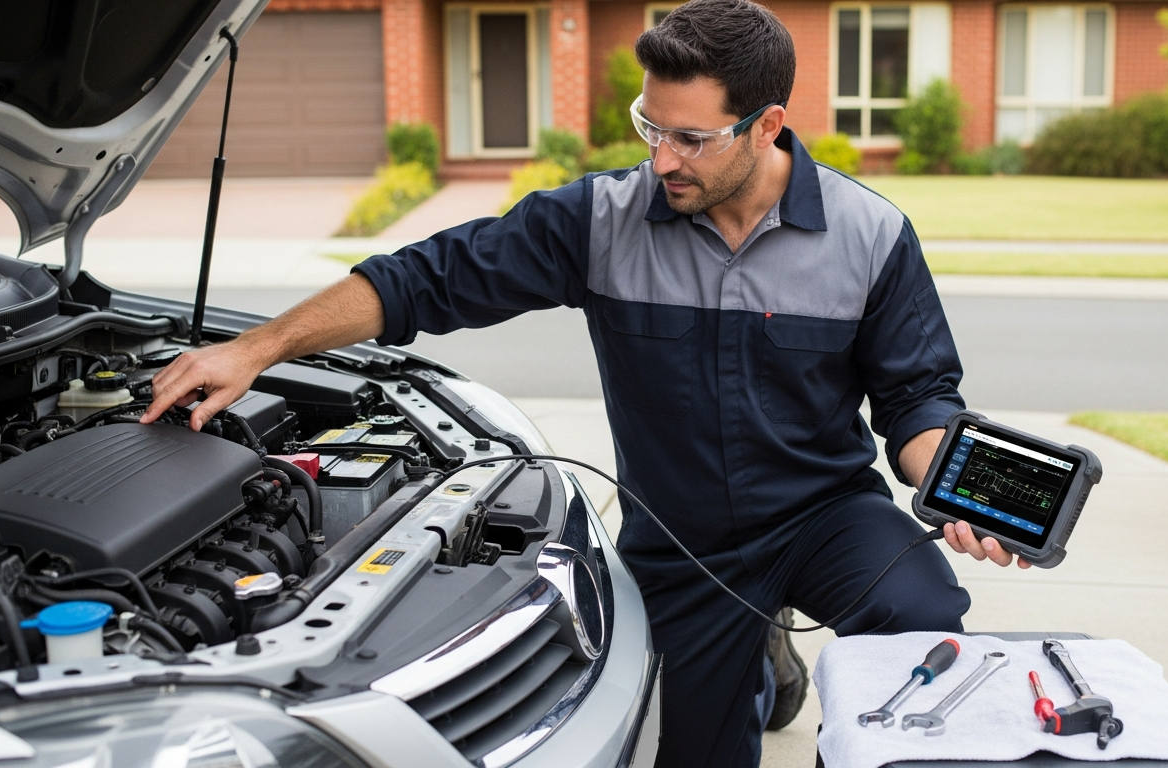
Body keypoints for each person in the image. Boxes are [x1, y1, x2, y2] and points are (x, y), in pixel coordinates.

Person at [142, 1, 1029, 764]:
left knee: (924, 616)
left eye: (690, 137)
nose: (663, 159)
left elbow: (917, 401)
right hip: (682, 541)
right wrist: (260, 347)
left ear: (767, 126)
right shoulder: (597, 222)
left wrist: (952, 477)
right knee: (687, 752)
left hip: (823, 515)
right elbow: (425, 279)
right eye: (651, 126)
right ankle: (753, 650)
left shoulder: (870, 235)